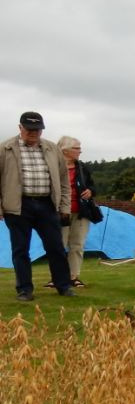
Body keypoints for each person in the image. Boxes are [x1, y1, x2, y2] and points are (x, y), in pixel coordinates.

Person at [0, 112, 75, 300]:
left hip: (47, 205)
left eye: (37, 129)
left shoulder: (52, 149)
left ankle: (64, 286)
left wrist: (64, 207)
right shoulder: (5, 149)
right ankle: (25, 290)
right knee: (20, 249)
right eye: (29, 129)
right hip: (18, 206)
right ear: (20, 128)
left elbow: (64, 181)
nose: (33, 133)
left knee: (56, 247)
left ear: (42, 129)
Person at [56, 136, 100, 287]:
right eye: (77, 148)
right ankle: (57, 277)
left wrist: (90, 191)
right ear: (66, 150)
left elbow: (93, 187)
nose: (80, 151)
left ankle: (73, 276)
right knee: (58, 245)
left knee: (77, 245)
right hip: (59, 212)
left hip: (81, 212)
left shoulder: (82, 168)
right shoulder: (53, 167)